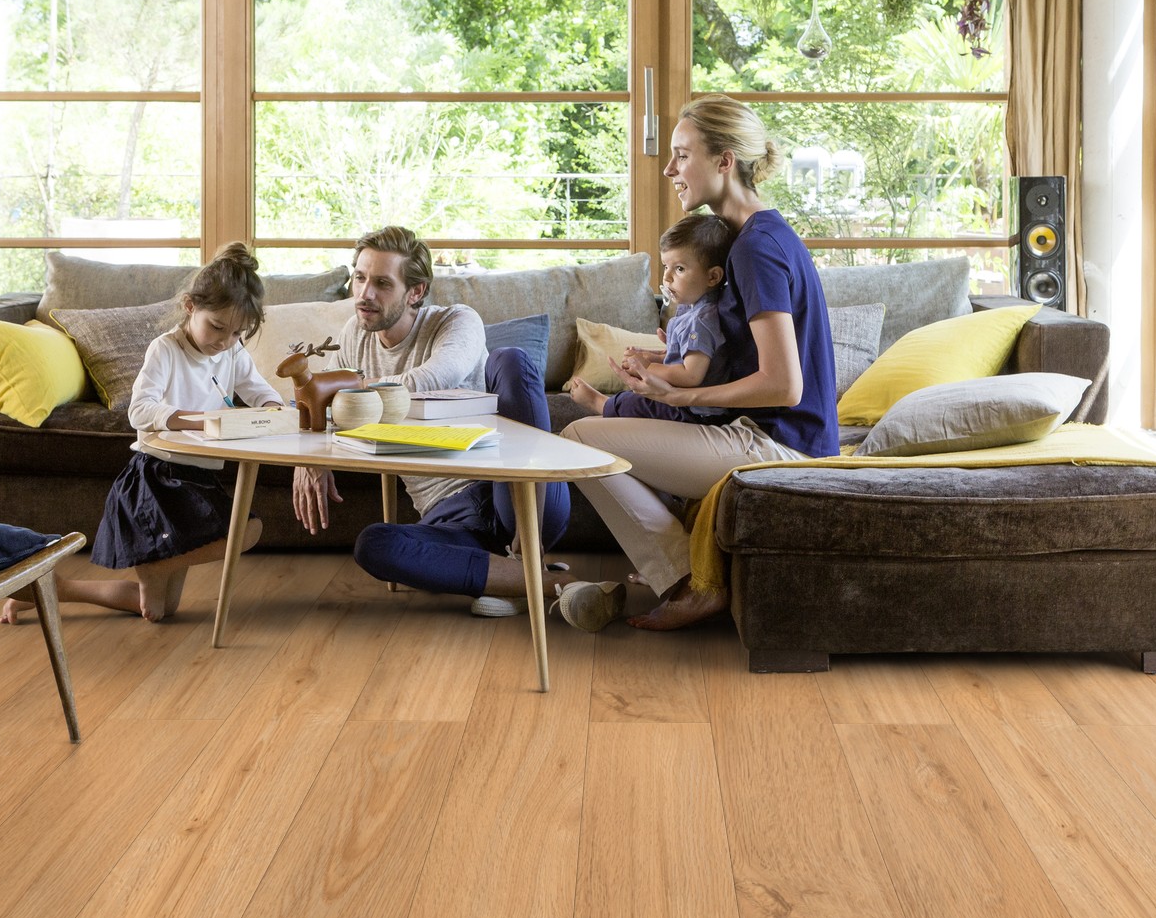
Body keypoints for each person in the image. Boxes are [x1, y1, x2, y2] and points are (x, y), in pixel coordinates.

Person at [560, 94, 838, 631]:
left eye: (682, 155)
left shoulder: (755, 248)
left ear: (724, 161)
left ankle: (691, 581)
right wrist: (663, 361)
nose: (669, 170)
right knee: (602, 427)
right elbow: (739, 355)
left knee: (580, 437)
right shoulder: (750, 238)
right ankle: (685, 569)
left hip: (779, 445)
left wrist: (682, 394)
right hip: (768, 434)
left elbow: (785, 385)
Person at [291, 226, 616, 621]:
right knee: (374, 545)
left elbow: (434, 377)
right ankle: (540, 581)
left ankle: (524, 553)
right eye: (359, 278)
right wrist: (309, 458)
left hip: (511, 488)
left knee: (511, 359)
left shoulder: (457, 321)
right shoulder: (354, 336)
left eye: (382, 283)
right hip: (450, 515)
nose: (364, 294)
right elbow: (323, 406)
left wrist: (352, 389)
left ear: (416, 291)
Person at [1, 242, 280, 625]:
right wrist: (201, 420)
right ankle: (153, 563)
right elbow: (139, 411)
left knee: (165, 607)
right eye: (217, 327)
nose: (224, 341)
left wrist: (272, 408)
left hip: (199, 477)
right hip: (159, 478)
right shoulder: (165, 349)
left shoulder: (231, 352)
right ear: (190, 306)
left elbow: (260, 390)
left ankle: (51, 588)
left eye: (237, 333)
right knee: (239, 536)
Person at [566, 213, 737, 423]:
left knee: (638, 401)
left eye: (680, 269)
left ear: (712, 276)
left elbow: (691, 375)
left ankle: (600, 403)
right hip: (689, 404)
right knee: (640, 396)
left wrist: (647, 368)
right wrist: (652, 357)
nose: (667, 277)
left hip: (695, 412)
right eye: (666, 266)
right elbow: (690, 360)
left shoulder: (700, 321)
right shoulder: (692, 308)